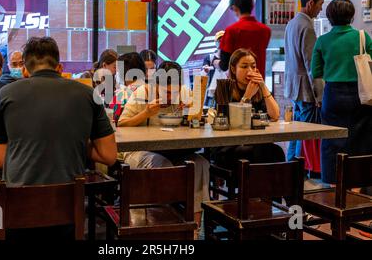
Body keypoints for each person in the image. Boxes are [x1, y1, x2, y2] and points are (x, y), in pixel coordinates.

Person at [0, 37, 117, 240]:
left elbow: (0, 160)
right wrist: (76, 141)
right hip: (68, 215)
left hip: (14, 216)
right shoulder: (90, 94)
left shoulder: (6, 94)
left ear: (24, 69)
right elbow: (109, 155)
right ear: (59, 67)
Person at [117, 61, 210, 237]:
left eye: (174, 91)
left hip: (174, 150)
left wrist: (191, 113)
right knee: (162, 163)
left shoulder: (185, 93)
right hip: (139, 151)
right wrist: (145, 113)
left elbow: (198, 126)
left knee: (200, 163)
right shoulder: (142, 93)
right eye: (166, 92)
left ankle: (194, 229)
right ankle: (164, 227)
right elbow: (121, 125)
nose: (171, 96)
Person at [311, 0, 372, 184]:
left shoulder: (322, 40)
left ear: (329, 16)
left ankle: (332, 182)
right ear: (352, 16)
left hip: (333, 95)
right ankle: (358, 185)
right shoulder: (363, 37)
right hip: (361, 94)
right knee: (361, 139)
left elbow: (316, 71)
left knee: (331, 140)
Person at [211, 49, 283, 173]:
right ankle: (255, 190)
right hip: (228, 146)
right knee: (260, 151)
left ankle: (274, 190)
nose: (250, 70)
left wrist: (263, 87)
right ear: (233, 69)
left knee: (276, 151)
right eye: (244, 66)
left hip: (255, 142)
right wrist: (247, 97)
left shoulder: (258, 89)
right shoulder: (224, 88)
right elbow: (234, 123)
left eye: (253, 66)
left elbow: (275, 115)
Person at [284, 0, 327, 161]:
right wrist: (319, 96)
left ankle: (289, 165)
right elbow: (312, 66)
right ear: (310, 3)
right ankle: (300, 170)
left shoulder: (292, 23)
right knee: (306, 133)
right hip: (305, 91)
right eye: (320, 4)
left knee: (296, 131)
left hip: (293, 87)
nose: (321, 9)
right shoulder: (307, 27)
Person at [213, 0, 271, 77]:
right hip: (258, 83)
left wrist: (214, 62)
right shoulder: (266, 30)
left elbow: (224, 65)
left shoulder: (231, 31)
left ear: (235, 8)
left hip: (238, 85)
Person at [109, 52, 146, 125]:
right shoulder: (151, 90)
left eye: (118, 70)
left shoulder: (122, 94)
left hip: (125, 133)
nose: (116, 73)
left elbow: (112, 119)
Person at [202, 31, 227, 107]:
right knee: (210, 113)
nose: (221, 43)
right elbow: (203, 73)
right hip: (212, 92)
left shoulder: (231, 58)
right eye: (219, 41)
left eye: (223, 40)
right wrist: (205, 70)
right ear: (215, 42)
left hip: (226, 92)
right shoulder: (209, 57)